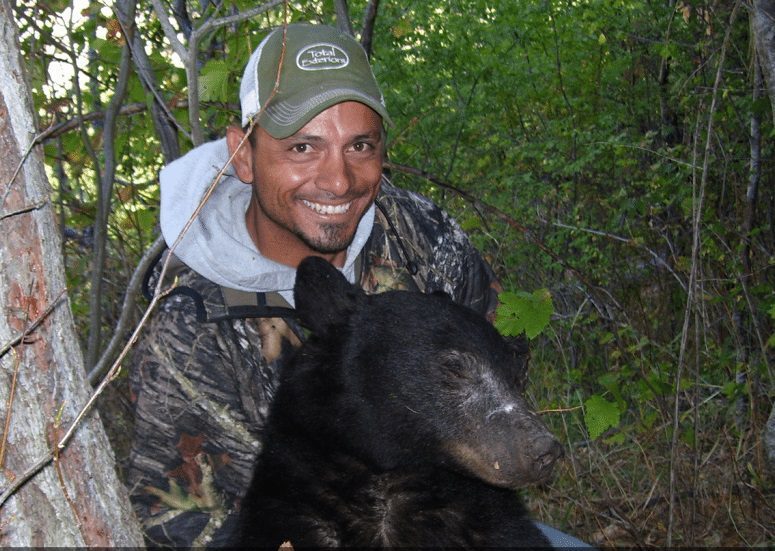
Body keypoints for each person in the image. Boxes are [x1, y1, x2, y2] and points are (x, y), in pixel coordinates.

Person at [125, 22, 589, 548]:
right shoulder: (189, 320)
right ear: (244, 155)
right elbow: (179, 523)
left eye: (360, 145)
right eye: (303, 147)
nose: (339, 181)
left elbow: (499, 361)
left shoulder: (420, 234)